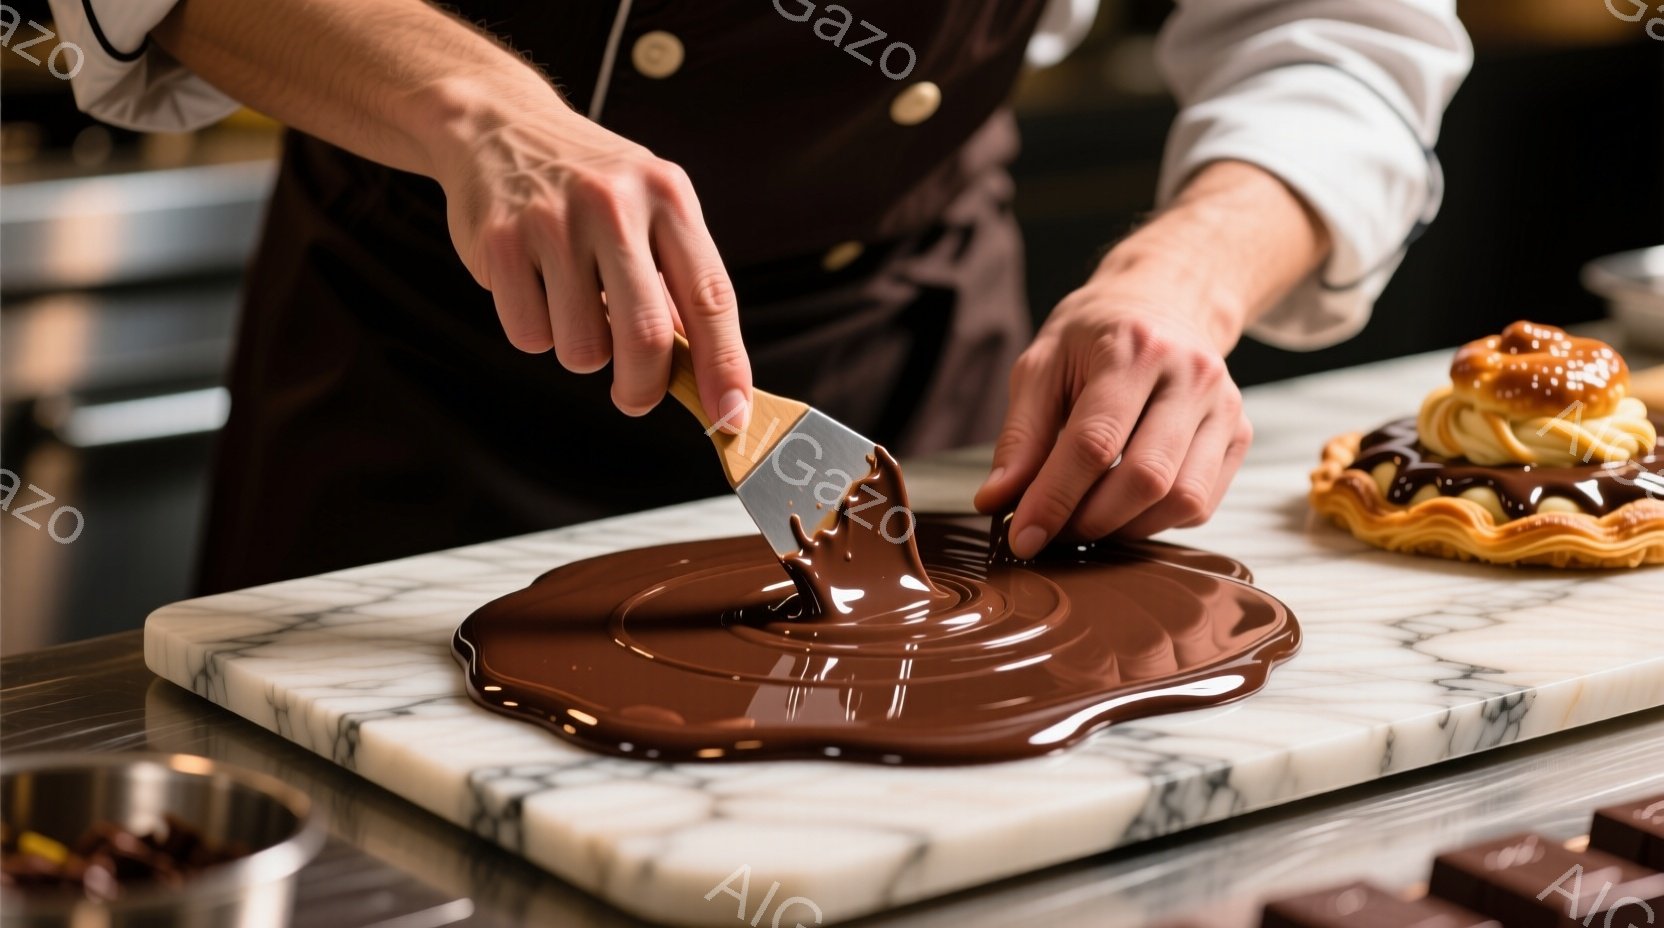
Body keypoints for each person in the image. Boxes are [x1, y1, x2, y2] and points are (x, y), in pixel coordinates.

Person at [50, 0, 1470, 592]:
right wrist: (474, 109)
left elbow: (1341, 28)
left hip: (910, 372)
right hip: (414, 369)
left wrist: (1189, 271)